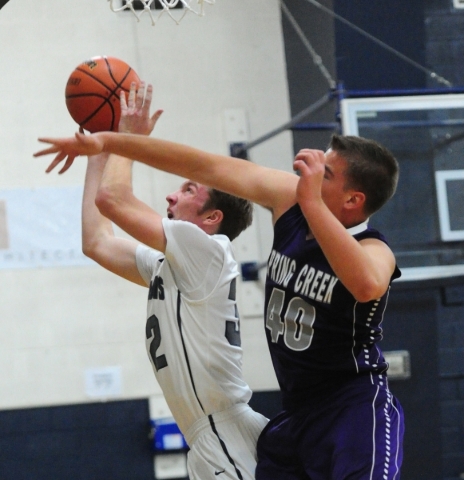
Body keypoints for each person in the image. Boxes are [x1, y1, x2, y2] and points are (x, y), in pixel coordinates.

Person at [34, 84, 404, 479]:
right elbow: (203, 167)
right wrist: (108, 141)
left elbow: (366, 285)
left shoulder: (370, 247)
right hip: (293, 416)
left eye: (324, 173)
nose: (306, 175)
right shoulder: (284, 204)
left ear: (352, 200)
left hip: (352, 406)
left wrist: (311, 202)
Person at [43, 83, 269, 480]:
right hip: (209, 435)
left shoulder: (208, 250)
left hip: (224, 432)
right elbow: (97, 242)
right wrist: (101, 141)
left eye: (188, 189)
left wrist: (123, 138)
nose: (170, 195)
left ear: (211, 218)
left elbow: (112, 200)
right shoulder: (176, 264)